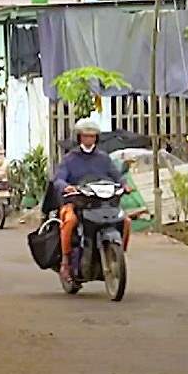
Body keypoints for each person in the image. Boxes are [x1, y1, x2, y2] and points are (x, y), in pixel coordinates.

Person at [51, 118, 125, 281]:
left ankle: (117, 255)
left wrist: (124, 184)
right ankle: (65, 262)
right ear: (79, 137)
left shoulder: (104, 158)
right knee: (69, 221)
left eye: (92, 136)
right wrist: (66, 187)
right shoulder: (70, 158)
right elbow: (59, 179)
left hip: (100, 203)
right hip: (76, 201)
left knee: (125, 221)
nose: (89, 139)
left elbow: (117, 175)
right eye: (85, 136)